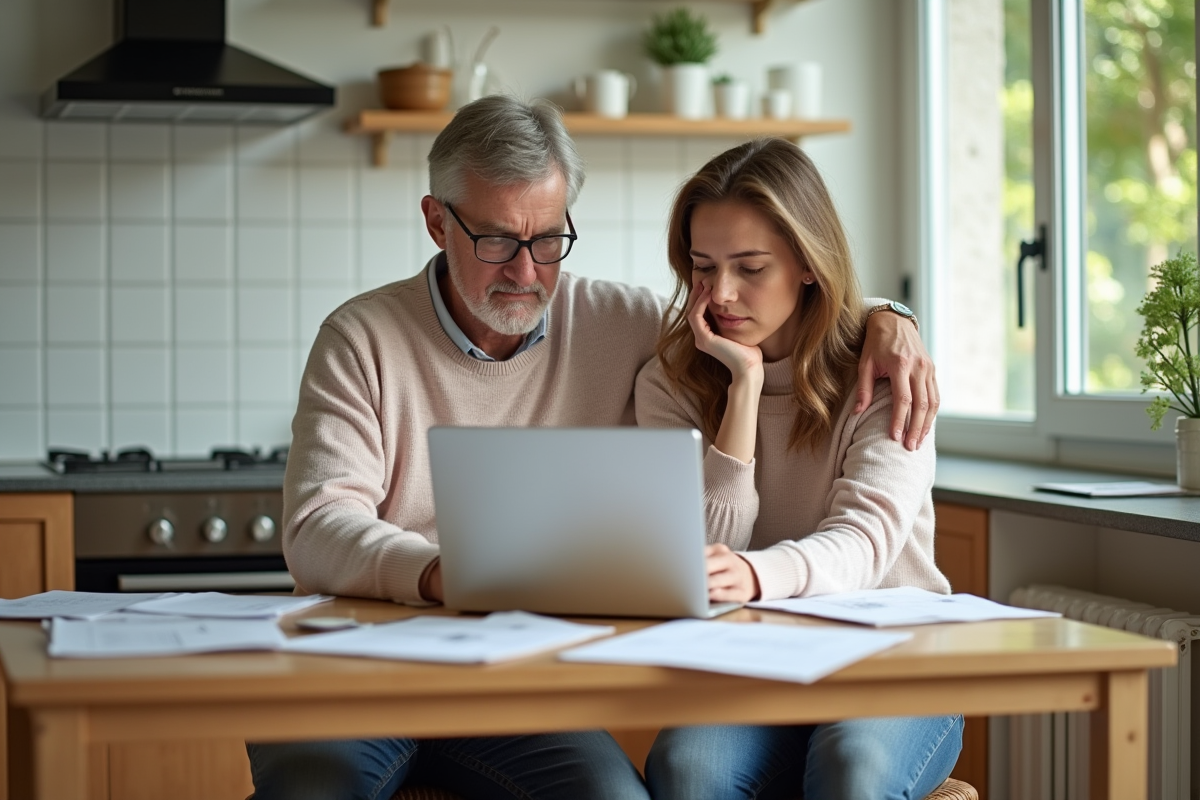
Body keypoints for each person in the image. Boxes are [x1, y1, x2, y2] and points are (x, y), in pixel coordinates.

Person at [247, 96, 939, 800]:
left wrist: (891, 316)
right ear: (436, 222)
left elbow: (790, 308)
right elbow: (314, 530)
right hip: (359, 669)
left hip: (510, 683)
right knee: (313, 789)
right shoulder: (360, 339)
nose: (525, 272)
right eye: (495, 241)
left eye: (547, 239)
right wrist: (434, 573)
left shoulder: (625, 324)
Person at [634, 137, 961, 800]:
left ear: (808, 263)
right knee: (686, 770)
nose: (721, 293)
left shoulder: (886, 372)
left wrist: (757, 573)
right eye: (703, 266)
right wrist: (744, 389)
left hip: (892, 660)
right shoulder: (670, 382)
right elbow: (701, 558)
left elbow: (866, 544)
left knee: (852, 767)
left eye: (750, 268)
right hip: (753, 666)